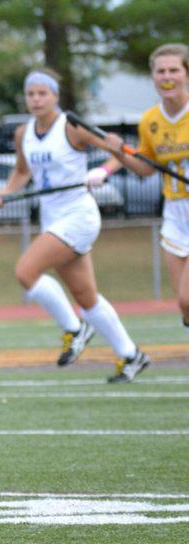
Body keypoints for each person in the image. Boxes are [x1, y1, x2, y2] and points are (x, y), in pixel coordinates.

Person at [0, 68, 149, 383]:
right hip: (53, 218)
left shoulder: (73, 127)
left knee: (26, 272)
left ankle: (75, 328)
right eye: (30, 93)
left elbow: (120, 152)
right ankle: (131, 355)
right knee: (86, 297)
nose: (35, 99)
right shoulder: (24, 133)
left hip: (79, 215)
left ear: (54, 96)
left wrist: (102, 171)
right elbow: (22, 172)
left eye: (42, 93)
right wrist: (4, 195)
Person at [94, 43, 189, 335]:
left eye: (174, 69)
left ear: (186, 74)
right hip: (174, 213)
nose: (167, 76)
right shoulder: (150, 121)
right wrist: (121, 154)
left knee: (188, 296)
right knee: (184, 305)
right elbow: (147, 168)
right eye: (160, 71)